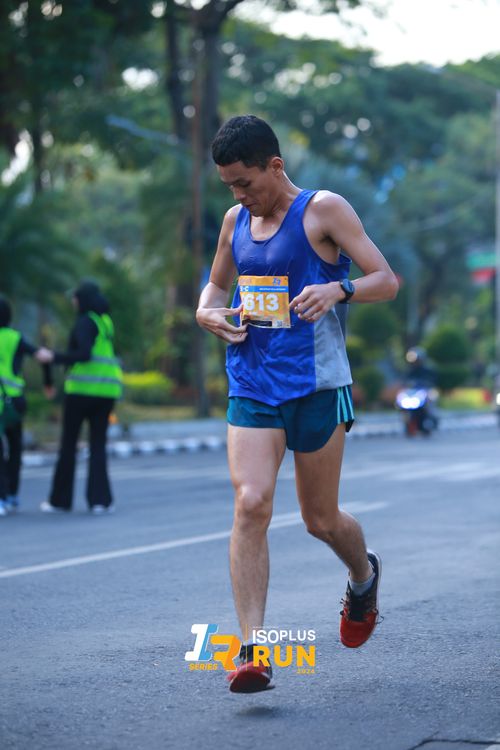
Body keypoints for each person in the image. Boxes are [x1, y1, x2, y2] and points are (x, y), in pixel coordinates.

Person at [196, 115, 399, 693]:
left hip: (316, 384)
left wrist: (340, 288)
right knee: (251, 502)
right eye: (229, 186)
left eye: (245, 182)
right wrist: (206, 312)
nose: (238, 195)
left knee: (320, 519)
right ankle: (251, 650)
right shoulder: (235, 221)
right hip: (252, 381)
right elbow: (216, 285)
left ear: (275, 166)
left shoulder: (323, 210)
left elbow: (386, 279)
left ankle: (362, 575)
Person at [36, 281, 122, 515]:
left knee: (68, 445)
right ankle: (100, 501)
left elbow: (83, 354)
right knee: (98, 446)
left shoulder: (85, 322)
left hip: (81, 392)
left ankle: (60, 500)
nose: (73, 302)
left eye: (75, 298)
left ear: (82, 299)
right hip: (106, 393)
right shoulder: (105, 321)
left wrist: (53, 357)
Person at [0, 295, 53, 516]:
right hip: (16, 401)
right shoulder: (16, 338)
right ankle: (12, 495)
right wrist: (48, 382)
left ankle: (1, 497)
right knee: (15, 449)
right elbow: (42, 356)